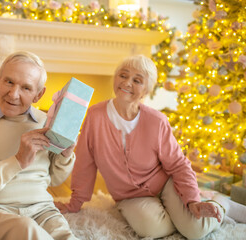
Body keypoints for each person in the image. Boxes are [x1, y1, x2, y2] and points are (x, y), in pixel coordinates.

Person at [55, 55, 245, 239]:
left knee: (195, 230)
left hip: (166, 184)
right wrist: (75, 202)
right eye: (123, 75)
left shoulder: (157, 121)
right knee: (152, 229)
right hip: (129, 196)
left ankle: (222, 204)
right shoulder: (95, 116)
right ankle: (180, 215)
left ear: (146, 91)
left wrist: (192, 201)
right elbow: (85, 163)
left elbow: (178, 165)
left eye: (137, 80)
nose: (127, 83)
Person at [0, 51, 78, 240]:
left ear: (38, 94)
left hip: (42, 209)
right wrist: (17, 161)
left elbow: (56, 179)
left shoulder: (47, 123)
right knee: (26, 231)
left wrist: (65, 155)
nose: (14, 94)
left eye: (26, 88)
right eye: (9, 82)